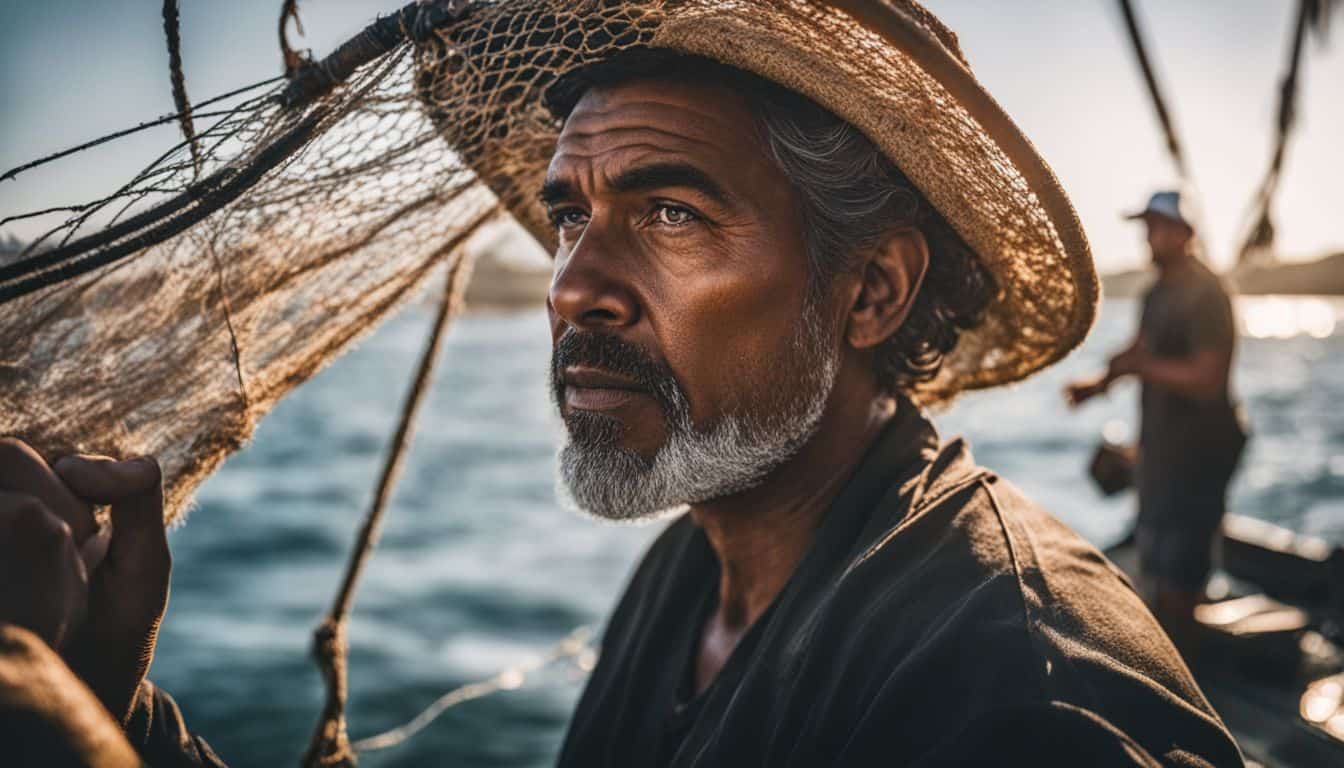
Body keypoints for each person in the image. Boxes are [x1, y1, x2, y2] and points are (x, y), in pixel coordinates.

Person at [1, 3, 1244, 766]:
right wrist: (113, 691)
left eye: (668, 210)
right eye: (568, 216)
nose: (571, 285)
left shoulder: (1026, 701)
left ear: (871, 293)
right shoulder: (704, 562)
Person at [1066, 190, 1246, 655]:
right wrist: (1097, 384)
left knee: (1181, 579)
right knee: (1155, 566)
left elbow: (1208, 379)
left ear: (1186, 233)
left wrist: (1142, 368)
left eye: (1160, 227)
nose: (1150, 237)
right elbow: (1138, 354)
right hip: (1160, 457)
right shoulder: (1155, 294)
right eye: (1147, 227)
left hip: (1199, 458)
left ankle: (1189, 686)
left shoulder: (1208, 293)